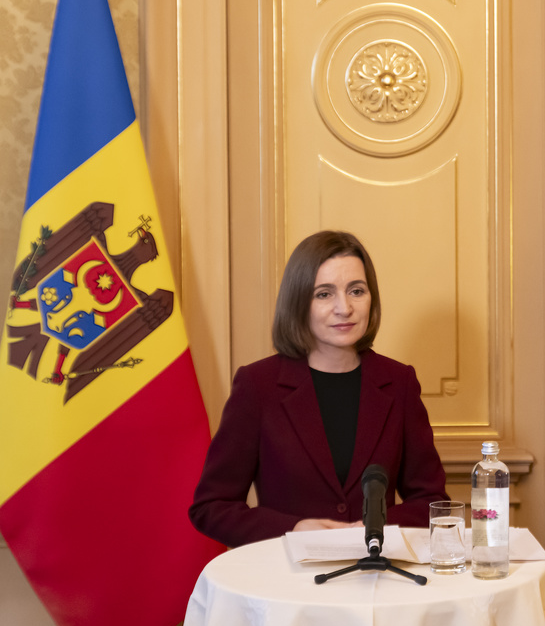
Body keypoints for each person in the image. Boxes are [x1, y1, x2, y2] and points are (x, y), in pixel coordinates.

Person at [190, 231, 448, 547]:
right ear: (299, 302)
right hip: (286, 572)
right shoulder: (257, 385)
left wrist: (376, 526)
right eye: (324, 294)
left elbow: (431, 501)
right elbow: (211, 507)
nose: (344, 308)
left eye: (356, 291)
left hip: (376, 569)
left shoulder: (399, 382)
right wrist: (293, 529)